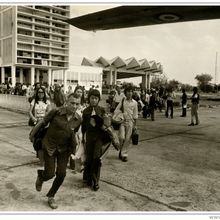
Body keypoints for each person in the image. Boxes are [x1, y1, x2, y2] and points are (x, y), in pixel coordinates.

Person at [35, 93, 82, 209]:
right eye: (72, 103)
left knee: (61, 174)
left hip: (64, 149)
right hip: (50, 145)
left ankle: (51, 196)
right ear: (66, 102)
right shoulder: (56, 112)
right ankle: (41, 176)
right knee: (50, 174)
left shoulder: (78, 119)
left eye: (77, 104)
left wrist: (73, 150)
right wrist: (32, 134)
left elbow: (73, 134)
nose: (74, 106)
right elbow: (43, 122)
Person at [82, 89, 110, 191]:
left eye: (96, 98)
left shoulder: (102, 110)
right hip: (89, 138)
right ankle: (88, 177)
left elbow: (107, 123)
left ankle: (95, 180)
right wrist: (82, 139)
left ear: (99, 99)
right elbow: (83, 127)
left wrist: (104, 125)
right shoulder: (85, 111)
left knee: (96, 158)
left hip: (99, 138)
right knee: (88, 158)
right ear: (89, 99)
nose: (94, 100)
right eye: (92, 98)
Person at [114, 86, 138, 162]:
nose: (130, 93)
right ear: (125, 93)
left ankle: (124, 154)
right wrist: (121, 114)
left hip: (130, 122)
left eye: (131, 91)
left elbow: (135, 115)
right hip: (122, 122)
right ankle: (121, 150)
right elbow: (116, 110)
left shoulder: (135, 103)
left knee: (127, 139)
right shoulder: (123, 100)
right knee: (121, 137)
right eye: (128, 91)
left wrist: (135, 125)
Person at [29, 86, 51, 165]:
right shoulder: (34, 101)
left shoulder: (47, 102)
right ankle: (39, 155)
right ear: (37, 93)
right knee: (36, 140)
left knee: (43, 142)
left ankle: (43, 160)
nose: (40, 94)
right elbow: (30, 111)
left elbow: (49, 112)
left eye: (42, 92)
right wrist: (34, 118)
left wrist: (45, 119)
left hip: (45, 124)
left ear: (44, 93)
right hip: (36, 123)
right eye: (39, 92)